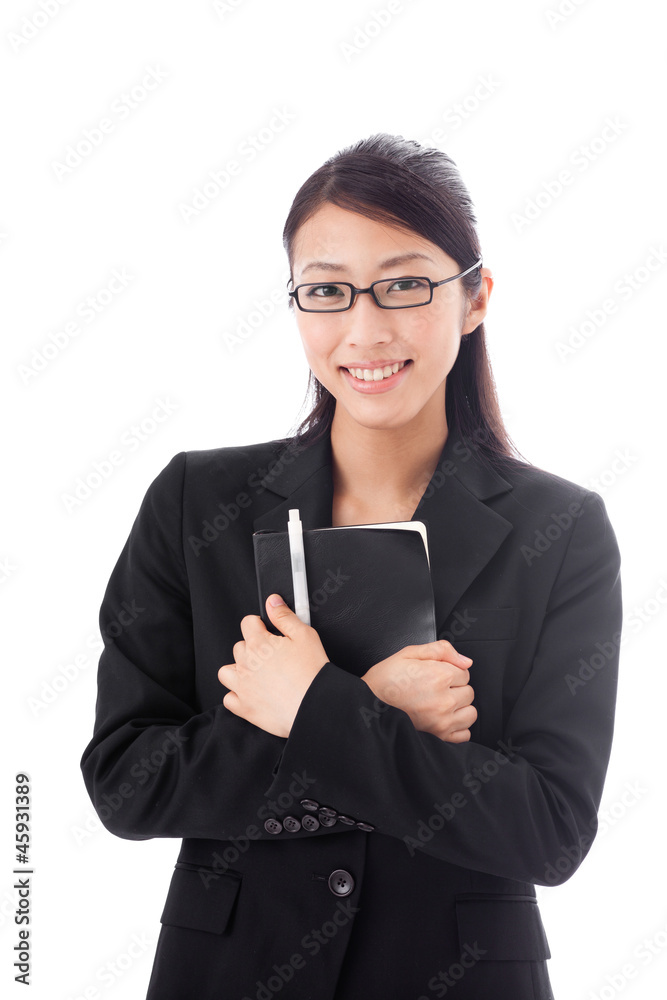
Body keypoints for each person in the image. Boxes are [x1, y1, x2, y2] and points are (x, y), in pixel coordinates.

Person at [80, 133, 622, 999]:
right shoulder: (195, 503)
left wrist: (317, 705)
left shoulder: (558, 529)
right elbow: (128, 782)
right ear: (296, 303)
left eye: (404, 284)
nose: (363, 330)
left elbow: (549, 832)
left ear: (475, 297)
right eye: (327, 291)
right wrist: (376, 706)